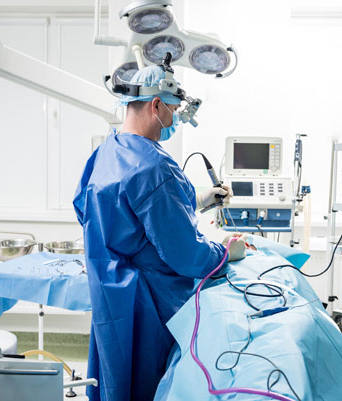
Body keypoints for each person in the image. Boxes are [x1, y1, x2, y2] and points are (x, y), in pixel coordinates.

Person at [73, 65, 247, 401]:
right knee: (148, 383)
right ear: (156, 106)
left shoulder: (105, 153)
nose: (175, 119)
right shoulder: (154, 166)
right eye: (174, 110)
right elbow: (186, 255)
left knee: (115, 375)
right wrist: (226, 252)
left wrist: (200, 199)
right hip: (149, 301)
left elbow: (106, 211)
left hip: (110, 291)